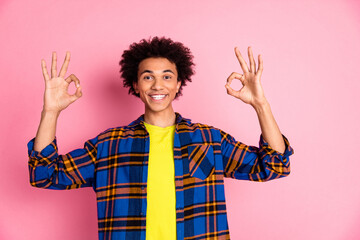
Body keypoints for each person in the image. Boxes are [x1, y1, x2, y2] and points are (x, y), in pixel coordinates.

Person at [27, 37, 294, 240]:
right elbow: (44, 174)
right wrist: (50, 111)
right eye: (147, 77)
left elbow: (274, 166)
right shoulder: (108, 145)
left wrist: (261, 105)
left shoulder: (208, 139)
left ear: (179, 84)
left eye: (167, 77)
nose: (158, 85)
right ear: (135, 85)